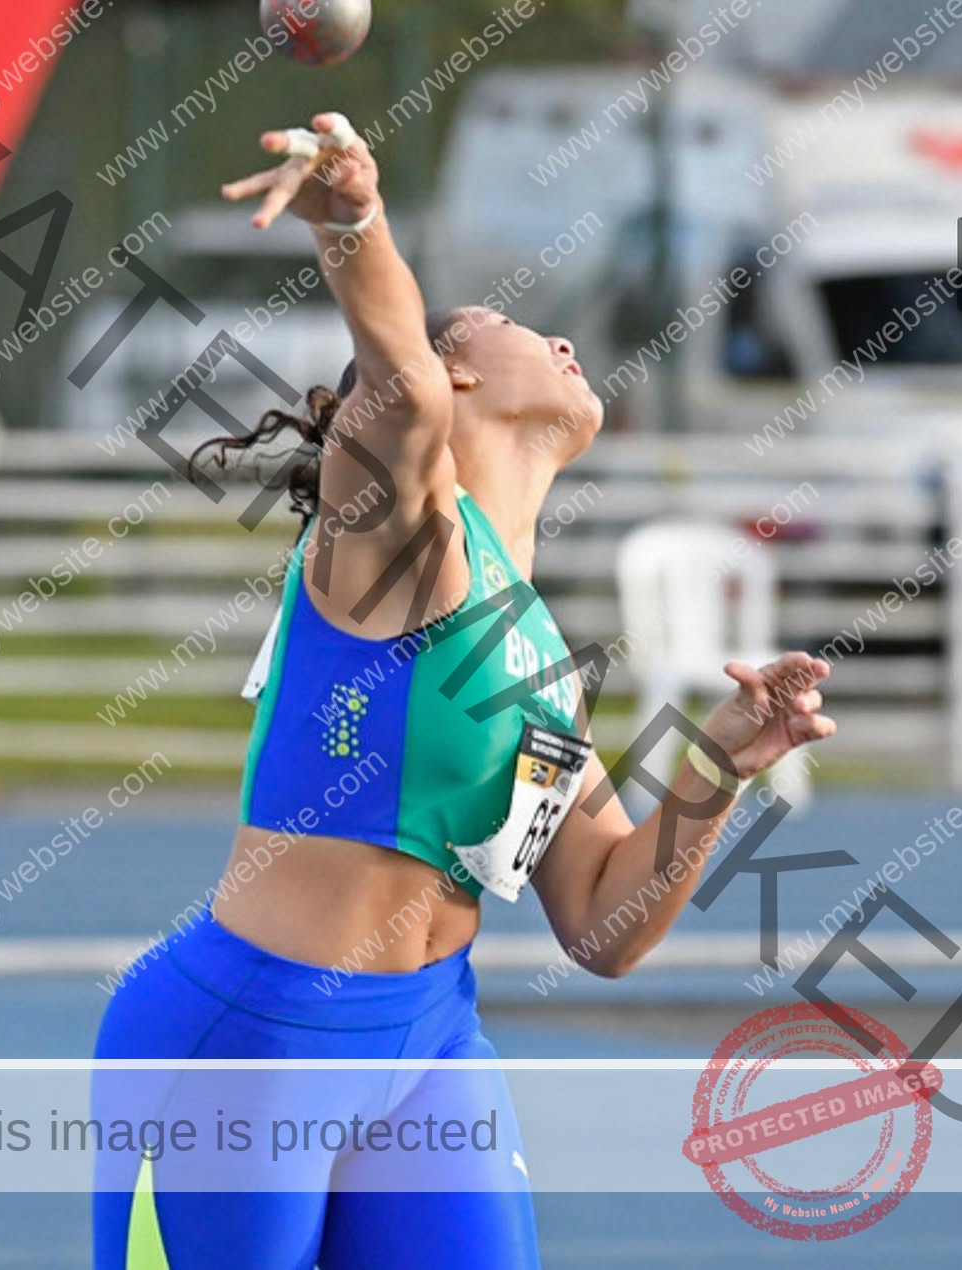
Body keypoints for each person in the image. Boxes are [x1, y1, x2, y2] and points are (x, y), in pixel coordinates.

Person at [92, 113, 836, 1269]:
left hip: (429, 1040)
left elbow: (602, 925)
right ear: (458, 374)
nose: (567, 341)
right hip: (252, 1038)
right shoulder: (391, 538)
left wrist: (717, 766)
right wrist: (354, 222)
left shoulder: (537, 654)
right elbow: (401, 389)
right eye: (524, 327)